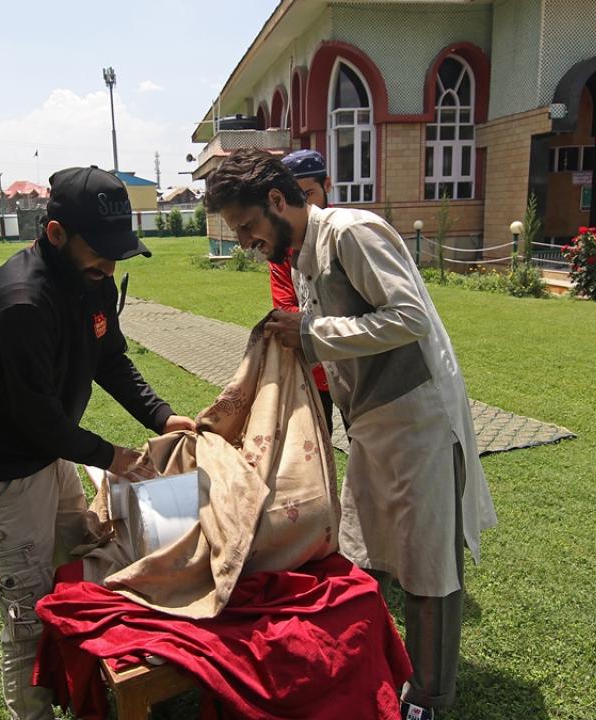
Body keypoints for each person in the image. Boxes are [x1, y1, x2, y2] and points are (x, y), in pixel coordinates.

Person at [203, 148, 496, 720]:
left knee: (427, 566)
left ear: (278, 200)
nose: (244, 242)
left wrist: (312, 332)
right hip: (368, 425)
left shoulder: (351, 232)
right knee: (362, 556)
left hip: (417, 420)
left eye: (247, 226)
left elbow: (409, 315)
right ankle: (370, 673)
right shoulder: (298, 256)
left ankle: (427, 698)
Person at [0, 166, 196, 720]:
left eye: (116, 255)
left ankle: (84, 688)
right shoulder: (21, 303)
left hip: (50, 456)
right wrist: (115, 459)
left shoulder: (92, 280)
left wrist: (162, 416)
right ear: (56, 234)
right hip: (6, 473)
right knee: (27, 618)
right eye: (100, 253)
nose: (109, 268)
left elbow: (111, 360)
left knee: (78, 563)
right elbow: (38, 419)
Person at [269, 149, 344, 439]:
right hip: (312, 366)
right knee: (316, 445)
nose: (303, 205)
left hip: (353, 364)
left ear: (327, 185)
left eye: (309, 193)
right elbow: (285, 305)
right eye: (295, 196)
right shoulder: (283, 246)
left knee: (366, 443)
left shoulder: (343, 234)